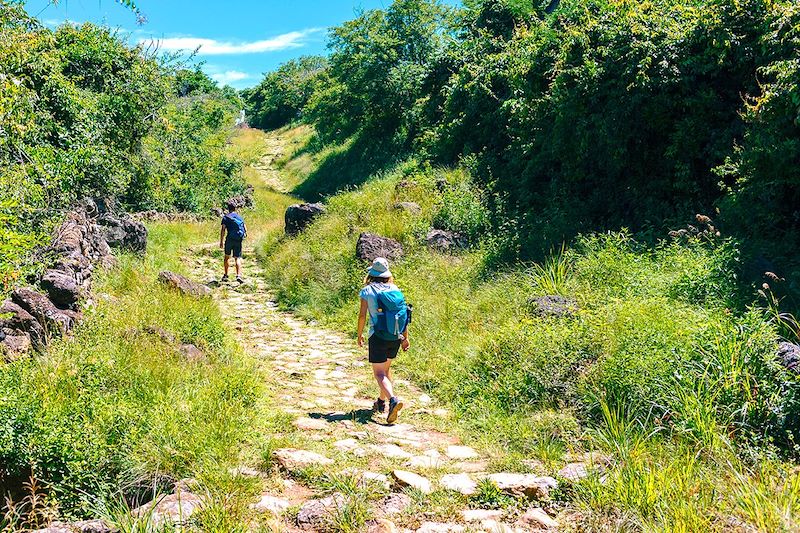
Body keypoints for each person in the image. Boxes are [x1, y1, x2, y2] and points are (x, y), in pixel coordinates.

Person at [357, 257, 411, 424]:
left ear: (371, 273)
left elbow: (362, 316)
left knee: (379, 373)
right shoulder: (395, 289)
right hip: (394, 336)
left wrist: (359, 334)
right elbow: (403, 316)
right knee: (386, 371)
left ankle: (393, 400)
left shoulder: (367, 291)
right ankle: (381, 402)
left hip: (378, 336)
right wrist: (405, 338)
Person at [219, 201, 247, 283]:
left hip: (229, 239)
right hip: (238, 240)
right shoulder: (239, 217)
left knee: (227, 257)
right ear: (235, 208)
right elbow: (245, 228)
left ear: (228, 209)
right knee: (237, 258)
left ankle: (226, 275)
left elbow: (223, 230)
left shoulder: (226, 217)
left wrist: (221, 241)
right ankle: (238, 275)